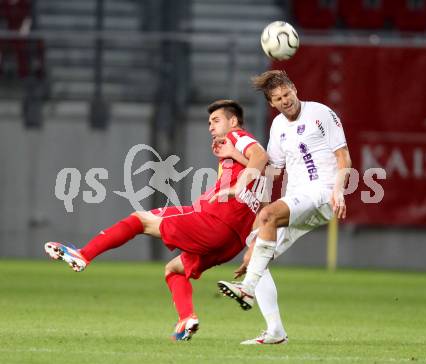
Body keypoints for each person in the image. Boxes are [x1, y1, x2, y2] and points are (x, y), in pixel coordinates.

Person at [44, 99, 268, 341]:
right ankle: (187, 319)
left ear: (233, 121)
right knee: (174, 270)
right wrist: (254, 245)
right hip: (231, 242)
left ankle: (83, 255)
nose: (211, 127)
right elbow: (263, 201)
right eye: (208, 123)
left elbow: (260, 155)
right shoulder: (239, 156)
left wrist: (237, 184)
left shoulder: (238, 136)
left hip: (214, 219)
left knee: (140, 219)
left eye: (216, 120)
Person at [216, 70, 352, 344]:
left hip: (323, 192)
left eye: (287, 94)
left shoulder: (320, 113)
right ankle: (276, 331)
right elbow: (272, 173)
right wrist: (261, 213)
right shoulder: (277, 125)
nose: (285, 100)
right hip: (298, 198)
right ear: (271, 103)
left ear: (294, 88)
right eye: (278, 98)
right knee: (255, 255)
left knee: (261, 240)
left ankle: (247, 290)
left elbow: (343, 157)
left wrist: (339, 191)